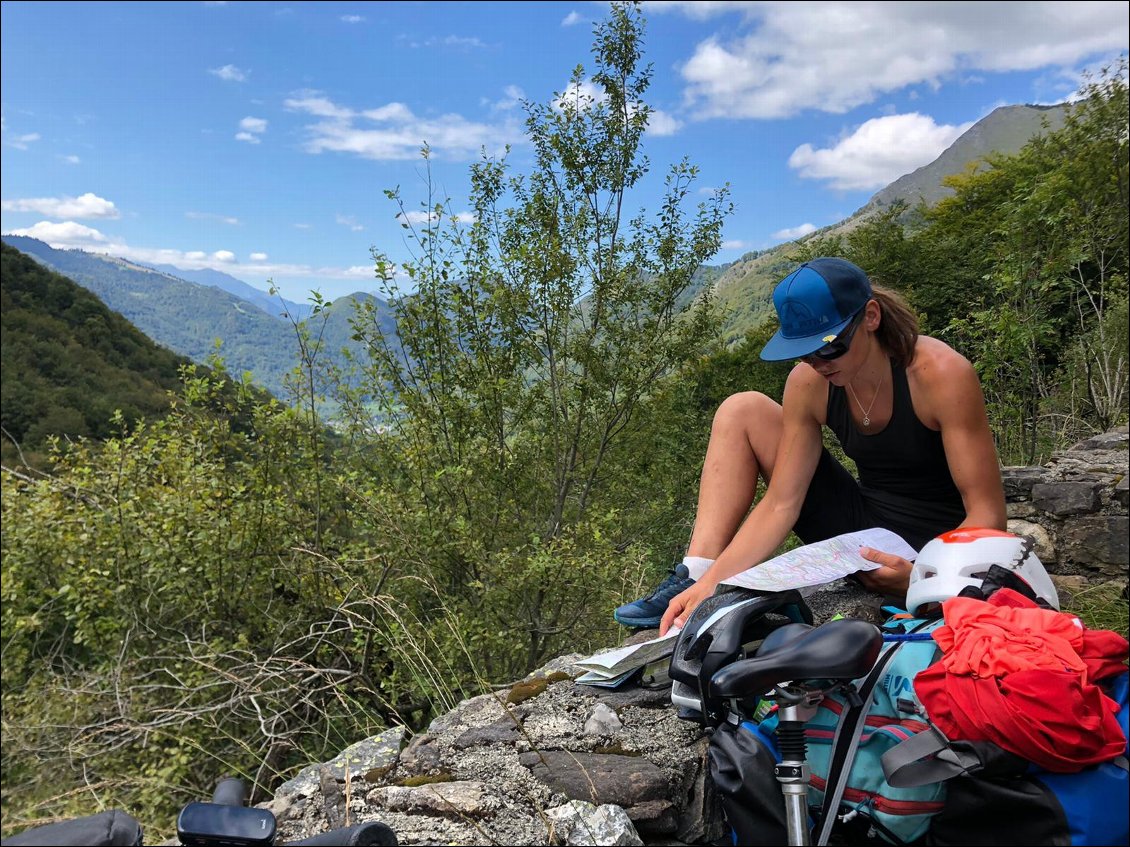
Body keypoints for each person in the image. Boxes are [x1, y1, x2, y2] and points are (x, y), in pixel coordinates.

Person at [612, 256, 1007, 635]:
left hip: (937, 539)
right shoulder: (809, 382)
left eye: (830, 346)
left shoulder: (939, 374)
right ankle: (694, 573)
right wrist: (712, 584)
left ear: (871, 317)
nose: (818, 362)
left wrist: (924, 574)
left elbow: (987, 513)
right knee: (742, 408)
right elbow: (783, 502)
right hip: (863, 531)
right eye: (804, 352)